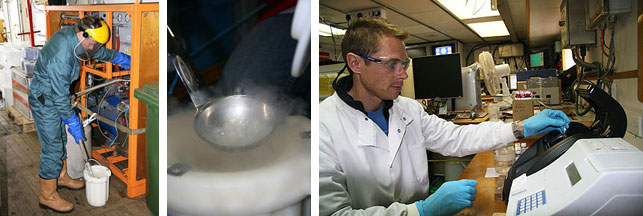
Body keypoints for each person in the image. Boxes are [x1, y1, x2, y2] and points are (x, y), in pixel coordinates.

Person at [319, 18, 570, 216]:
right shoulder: (323, 126)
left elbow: (456, 137)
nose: (403, 75)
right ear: (355, 63)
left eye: (404, 64)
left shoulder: (408, 109)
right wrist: (422, 211)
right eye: (391, 64)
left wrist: (519, 127)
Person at [28, 16, 130, 213]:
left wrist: (121, 58)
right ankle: (47, 196)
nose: (93, 47)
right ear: (83, 34)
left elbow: (97, 50)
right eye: (92, 43)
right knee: (52, 147)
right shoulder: (61, 54)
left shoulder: (77, 40)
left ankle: (62, 176)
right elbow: (58, 96)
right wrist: (72, 120)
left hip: (54, 97)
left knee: (60, 138)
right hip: (46, 101)